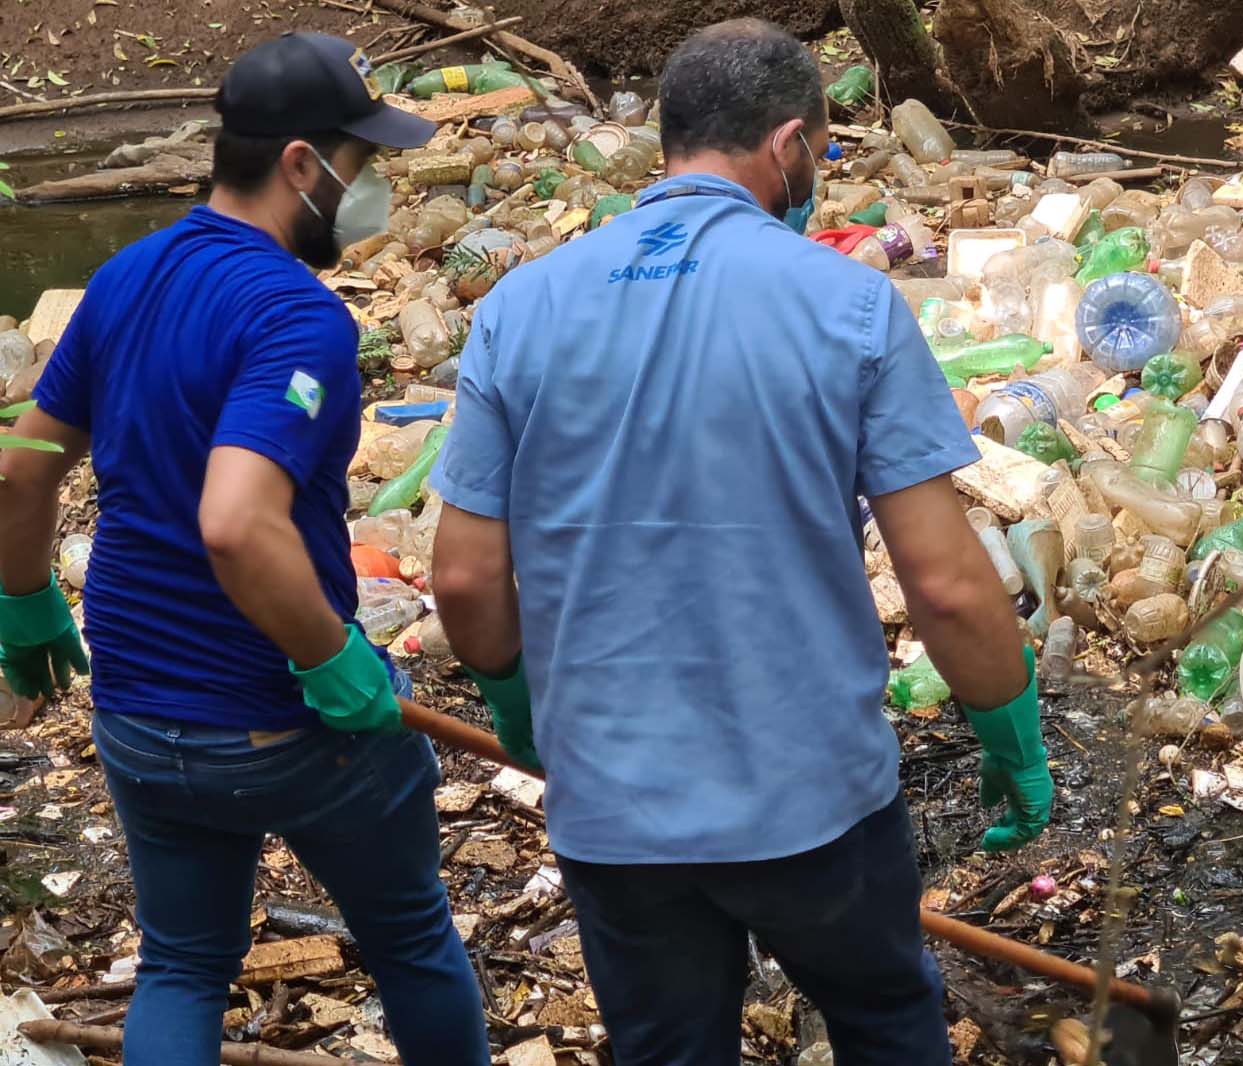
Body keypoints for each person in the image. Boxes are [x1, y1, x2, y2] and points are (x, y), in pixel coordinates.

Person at [430, 18, 1053, 1066]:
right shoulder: (850, 303)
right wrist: (1010, 733)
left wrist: (515, 701)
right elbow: (943, 585)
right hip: (810, 798)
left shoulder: (520, 308)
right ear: (786, 146)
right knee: (885, 1025)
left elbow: (461, 572)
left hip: (614, 804)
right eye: (823, 147)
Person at [0, 33, 490, 1066]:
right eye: (362, 166)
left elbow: (23, 464)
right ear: (303, 166)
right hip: (283, 719)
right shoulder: (293, 314)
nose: (373, 193)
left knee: (183, 963)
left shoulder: (126, 277)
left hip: (135, 711)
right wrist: (328, 654)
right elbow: (235, 519)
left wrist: (26, 599)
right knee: (408, 941)